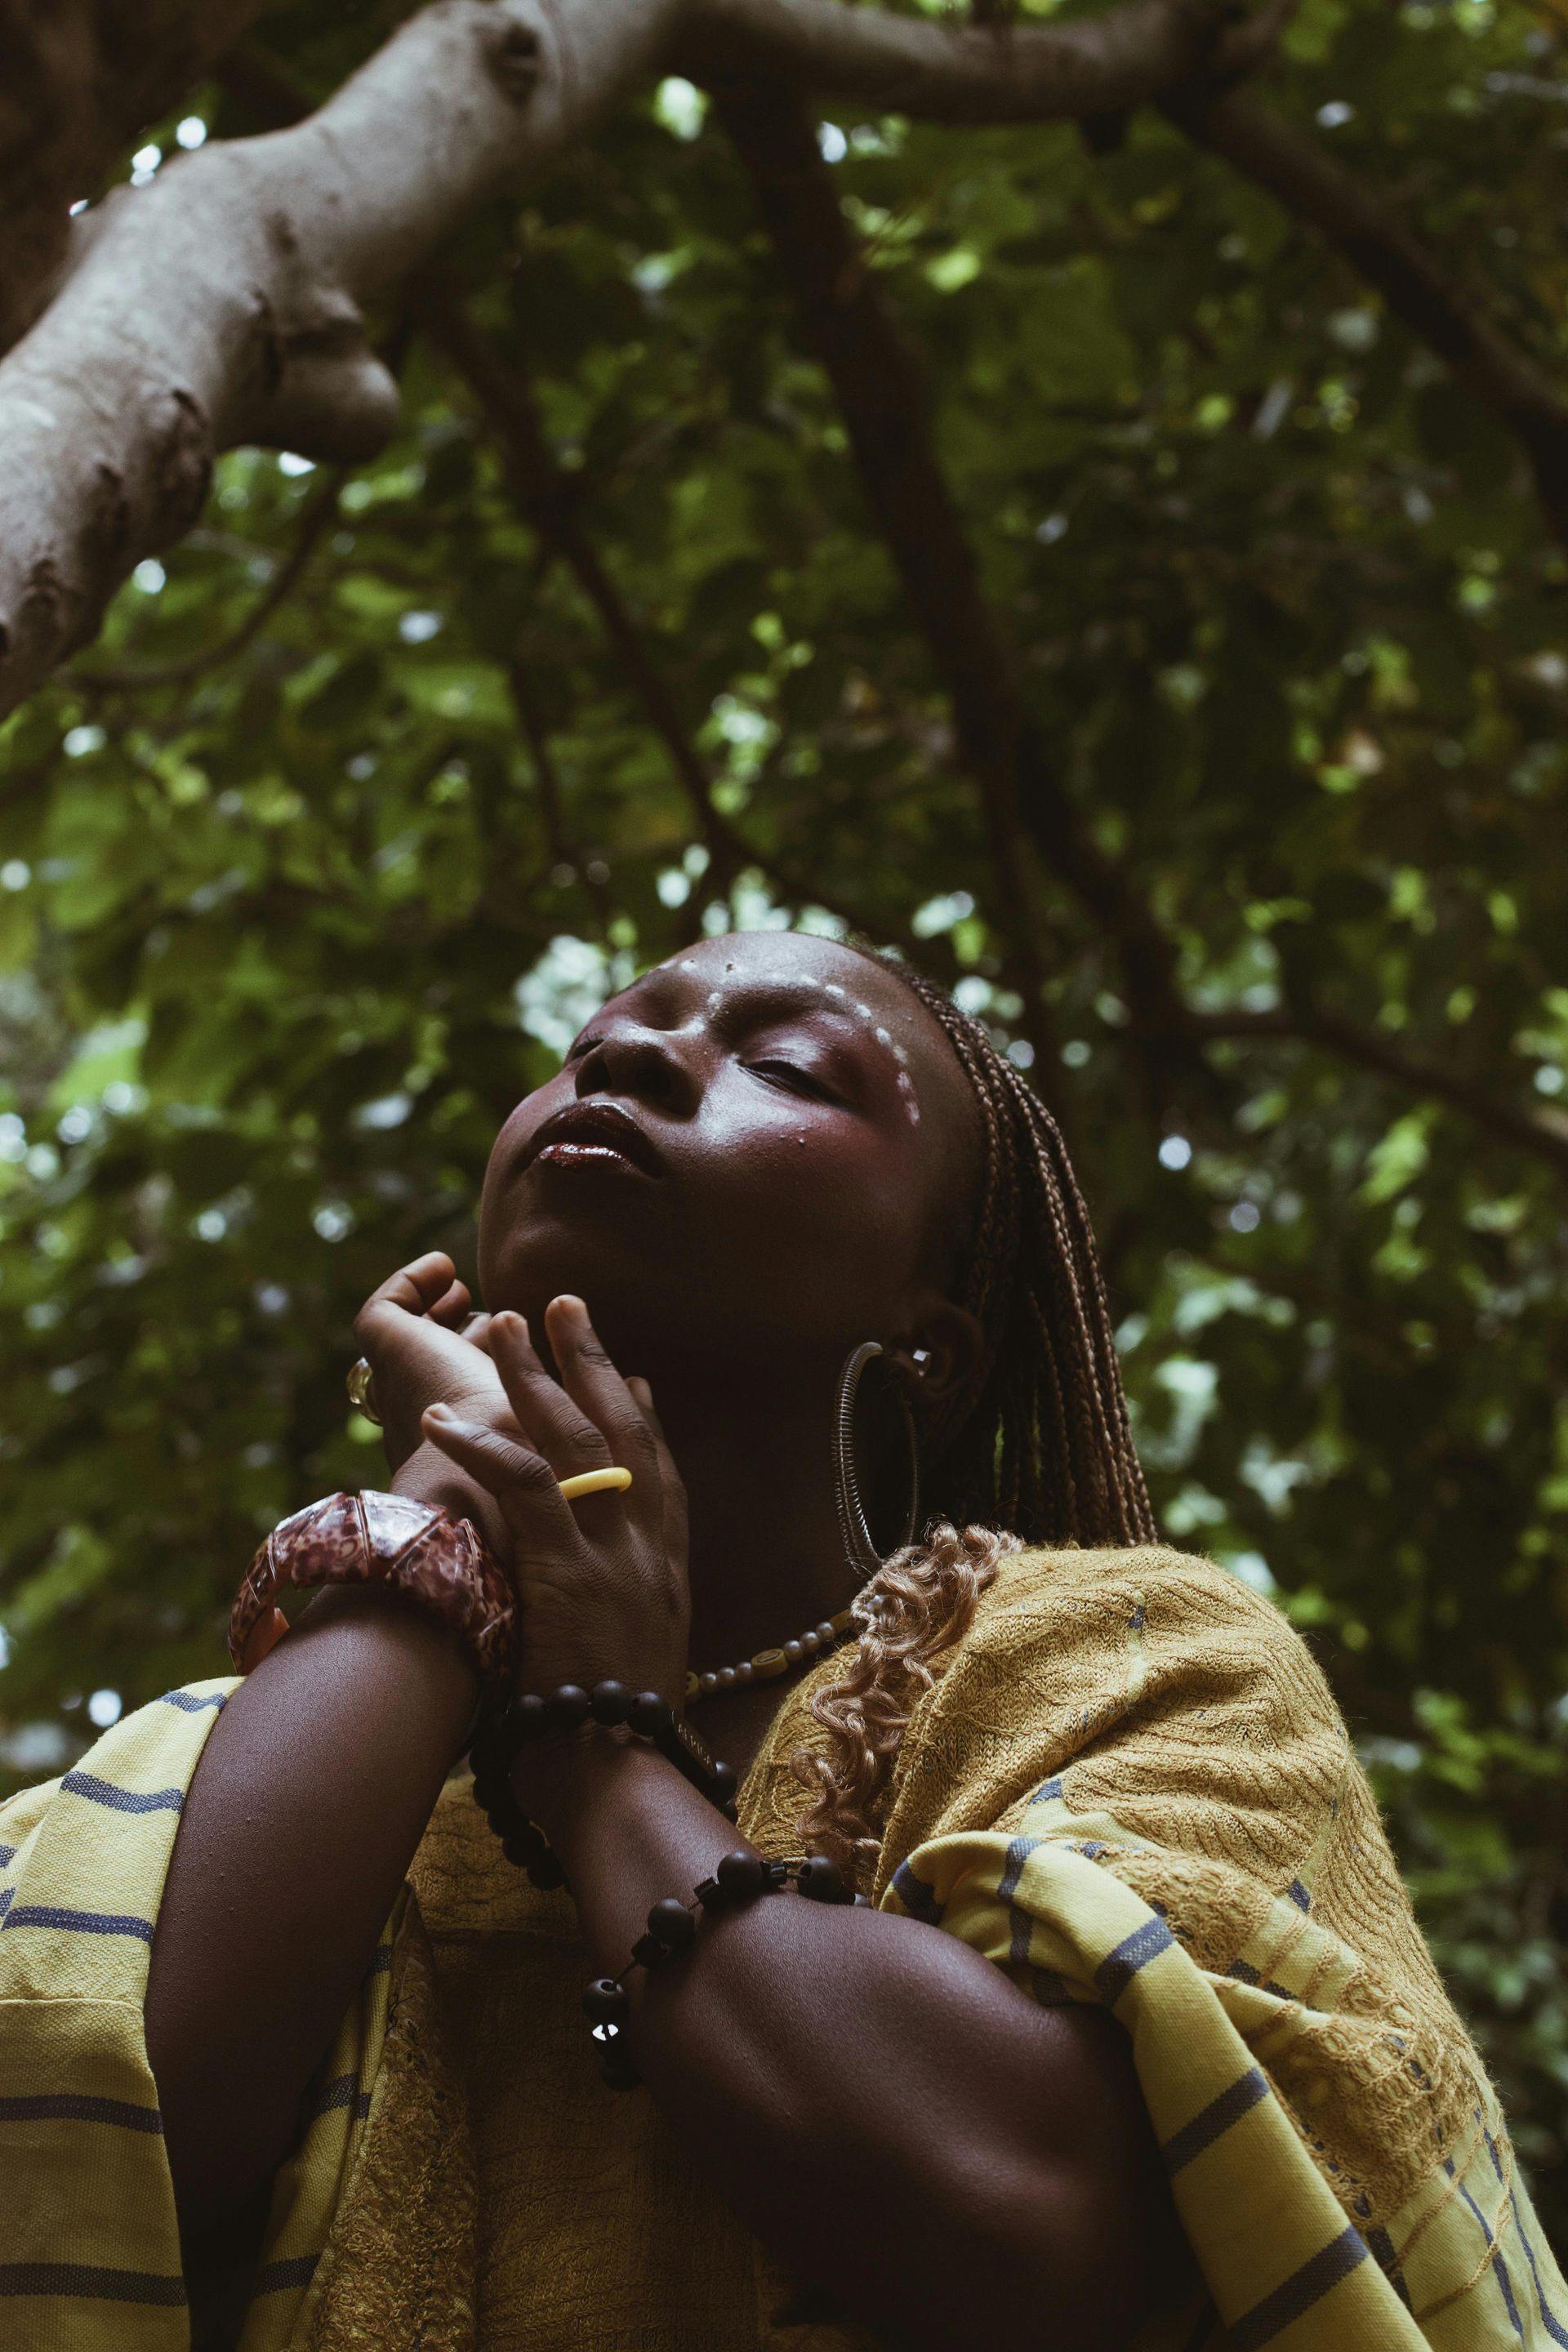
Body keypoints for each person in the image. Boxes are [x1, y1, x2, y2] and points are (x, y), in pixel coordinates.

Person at [1, 928, 1561, 2352]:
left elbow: (1026, 2220)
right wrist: (442, 1546)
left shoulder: (1130, 1661)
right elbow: (72, 2174)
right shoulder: (237, 1751)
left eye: (789, 1067)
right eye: (599, 1039)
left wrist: (597, 1752)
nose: (623, 1059)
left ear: (931, 1331)